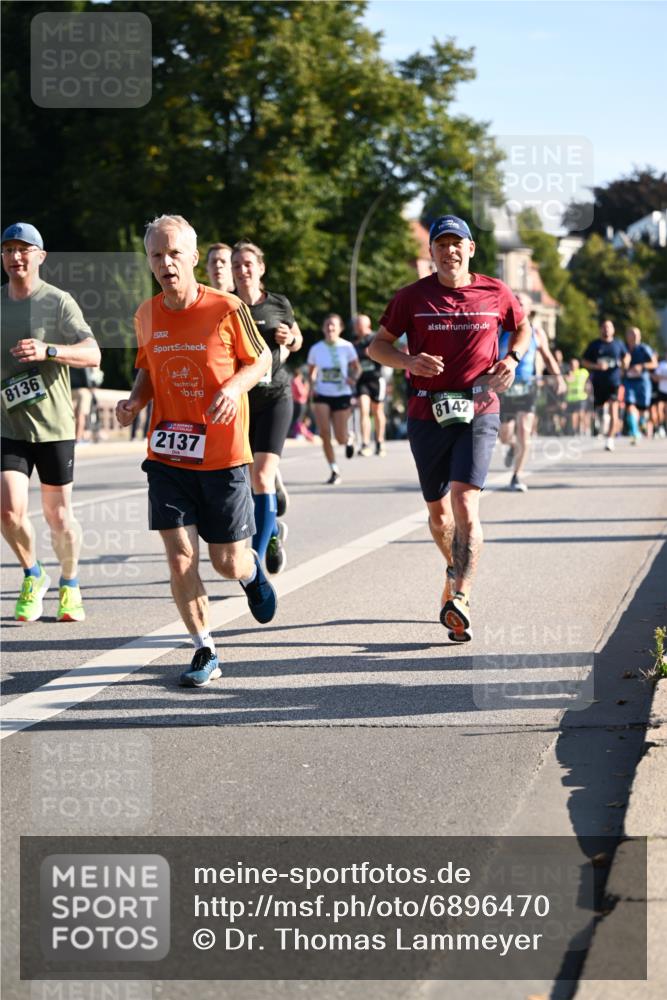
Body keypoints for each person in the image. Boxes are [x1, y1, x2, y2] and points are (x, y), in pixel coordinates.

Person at [115, 214, 275, 688]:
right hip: (168, 455)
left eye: (174, 254)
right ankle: (204, 647)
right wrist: (134, 402)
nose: (166, 263)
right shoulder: (146, 314)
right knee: (180, 554)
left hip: (223, 455)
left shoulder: (226, 307)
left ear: (193, 257)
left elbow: (261, 358)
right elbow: (148, 369)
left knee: (227, 562)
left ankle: (251, 573)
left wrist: (234, 387)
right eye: (156, 255)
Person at [368, 214, 531, 642]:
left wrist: (512, 359)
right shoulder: (411, 297)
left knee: (464, 501)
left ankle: (461, 597)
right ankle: (454, 566)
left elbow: (522, 327)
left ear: (470, 249)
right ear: (432, 252)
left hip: (480, 406)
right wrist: (408, 361)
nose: (449, 251)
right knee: (439, 515)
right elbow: (377, 346)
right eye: (441, 244)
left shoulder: (496, 292)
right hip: (427, 412)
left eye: (457, 243)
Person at [1, 221, 101, 622]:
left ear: (40, 256)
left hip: (54, 426)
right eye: (8, 250)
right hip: (9, 426)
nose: (15, 257)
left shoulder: (59, 302)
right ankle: (33, 573)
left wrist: (50, 350)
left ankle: (70, 583)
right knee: (9, 512)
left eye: (23, 249)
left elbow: (93, 353)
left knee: (58, 516)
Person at [231, 239, 303, 574]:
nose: (242, 270)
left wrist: (290, 339)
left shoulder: (278, 303)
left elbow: (297, 339)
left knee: (262, 475)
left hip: (276, 397)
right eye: (237, 265)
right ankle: (272, 532)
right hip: (242, 403)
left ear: (260, 268)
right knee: (248, 482)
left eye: (248, 264)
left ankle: (256, 563)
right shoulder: (227, 305)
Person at [498, 292, 566, 491]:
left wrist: (558, 377)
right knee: (504, 435)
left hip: (528, 386)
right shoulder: (501, 329)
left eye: (521, 303)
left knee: (524, 430)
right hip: (505, 385)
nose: (517, 305)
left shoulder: (536, 332)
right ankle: (512, 446)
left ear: (529, 309)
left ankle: (517, 475)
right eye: (515, 301)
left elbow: (547, 357)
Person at [307, 313, 361, 485]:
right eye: (327, 325)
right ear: (323, 328)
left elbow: (357, 368)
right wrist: (312, 385)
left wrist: (353, 379)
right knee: (324, 433)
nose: (330, 328)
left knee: (340, 438)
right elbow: (311, 372)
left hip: (341, 394)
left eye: (333, 325)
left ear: (340, 329)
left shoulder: (347, 347)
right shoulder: (316, 349)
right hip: (322, 394)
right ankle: (334, 469)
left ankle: (349, 437)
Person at [582, 320, 629, 451]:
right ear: (600, 329)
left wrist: (625, 363)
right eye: (604, 327)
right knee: (597, 410)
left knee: (614, 410)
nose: (606, 329)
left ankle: (610, 439)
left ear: (613, 330)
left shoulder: (618, 344)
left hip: (614, 382)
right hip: (598, 383)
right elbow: (584, 361)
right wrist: (596, 366)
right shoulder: (594, 345)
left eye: (609, 327)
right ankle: (598, 425)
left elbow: (626, 356)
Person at [352, 313, 387, 457]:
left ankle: (379, 442)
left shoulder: (375, 338)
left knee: (377, 411)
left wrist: (372, 352)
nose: (356, 326)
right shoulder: (354, 342)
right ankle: (365, 444)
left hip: (376, 379)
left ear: (367, 325)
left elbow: (382, 352)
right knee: (363, 410)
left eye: (358, 323)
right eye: (355, 324)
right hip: (362, 381)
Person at [623, 326, 657, 444]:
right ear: (627, 336)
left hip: (643, 382)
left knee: (642, 408)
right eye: (632, 334)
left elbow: (654, 363)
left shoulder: (644, 348)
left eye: (637, 334)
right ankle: (634, 432)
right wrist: (623, 365)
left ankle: (642, 421)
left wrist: (641, 366)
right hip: (629, 382)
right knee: (630, 405)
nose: (635, 336)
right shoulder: (624, 349)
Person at [565, 358, 591, 436]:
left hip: (581, 397)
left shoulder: (583, 372)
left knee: (581, 414)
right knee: (573, 415)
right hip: (571, 398)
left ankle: (584, 429)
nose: (573, 366)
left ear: (578, 364)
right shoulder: (567, 374)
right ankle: (575, 431)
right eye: (571, 364)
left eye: (574, 364)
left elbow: (588, 380)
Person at [69, 365, 94, 443]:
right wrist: (91, 387)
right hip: (83, 390)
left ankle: (72, 437)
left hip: (71, 390)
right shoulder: (82, 361)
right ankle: (78, 439)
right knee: (81, 415)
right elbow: (87, 376)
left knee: (72, 415)